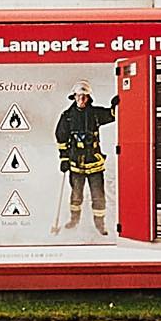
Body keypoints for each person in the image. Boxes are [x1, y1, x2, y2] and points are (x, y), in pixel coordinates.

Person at [53, 83, 117, 231]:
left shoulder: (95, 113)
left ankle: (100, 225)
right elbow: (61, 138)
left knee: (98, 195)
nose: (81, 99)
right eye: (79, 96)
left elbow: (112, 115)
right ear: (74, 97)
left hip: (95, 163)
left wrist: (115, 106)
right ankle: (74, 221)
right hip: (75, 163)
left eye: (85, 96)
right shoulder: (67, 117)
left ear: (88, 98)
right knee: (76, 196)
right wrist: (64, 159)